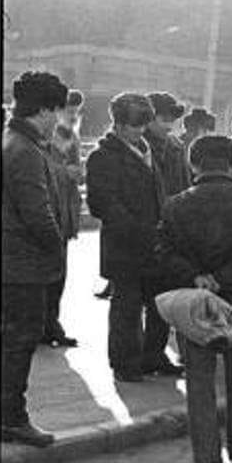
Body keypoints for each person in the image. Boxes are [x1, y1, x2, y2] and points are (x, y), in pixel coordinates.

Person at [156, 135, 232, 463]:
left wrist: (198, 278)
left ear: (193, 164)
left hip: (195, 305)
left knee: (199, 380)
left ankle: (207, 456)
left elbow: (163, 251)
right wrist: (223, 279)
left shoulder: (175, 204)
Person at [86, 93, 180, 382]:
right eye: (133, 125)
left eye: (143, 124)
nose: (139, 130)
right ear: (117, 124)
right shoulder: (103, 156)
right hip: (125, 246)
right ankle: (125, 363)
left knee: (158, 304)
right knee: (127, 307)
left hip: (155, 243)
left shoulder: (149, 150)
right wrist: (139, 229)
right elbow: (102, 203)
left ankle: (154, 356)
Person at [0, 71, 68, 447]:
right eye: (56, 111)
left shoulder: (10, 140)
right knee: (19, 342)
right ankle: (11, 418)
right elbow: (37, 213)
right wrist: (57, 248)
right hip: (23, 266)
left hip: (11, 262)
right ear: (43, 110)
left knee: (9, 340)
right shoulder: (25, 151)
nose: (58, 119)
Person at [43, 88, 85, 348]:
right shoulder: (45, 138)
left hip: (65, 213)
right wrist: (65, 172)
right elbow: (42, 170)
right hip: (48, 213)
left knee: (60, 274)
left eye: (76, 112)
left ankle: (52, 323)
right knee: (47, 275)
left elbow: (75, 171)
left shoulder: (73, 137)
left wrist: (78, 173)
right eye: (69, 111)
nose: (73, 116)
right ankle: (44, 325)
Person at [145, 92, 192, 198]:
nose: (169, 127)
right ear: (149, 119)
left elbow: (185, 187)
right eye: (165, 120)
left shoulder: (177, 147)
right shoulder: (137, 146)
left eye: (172, 121)